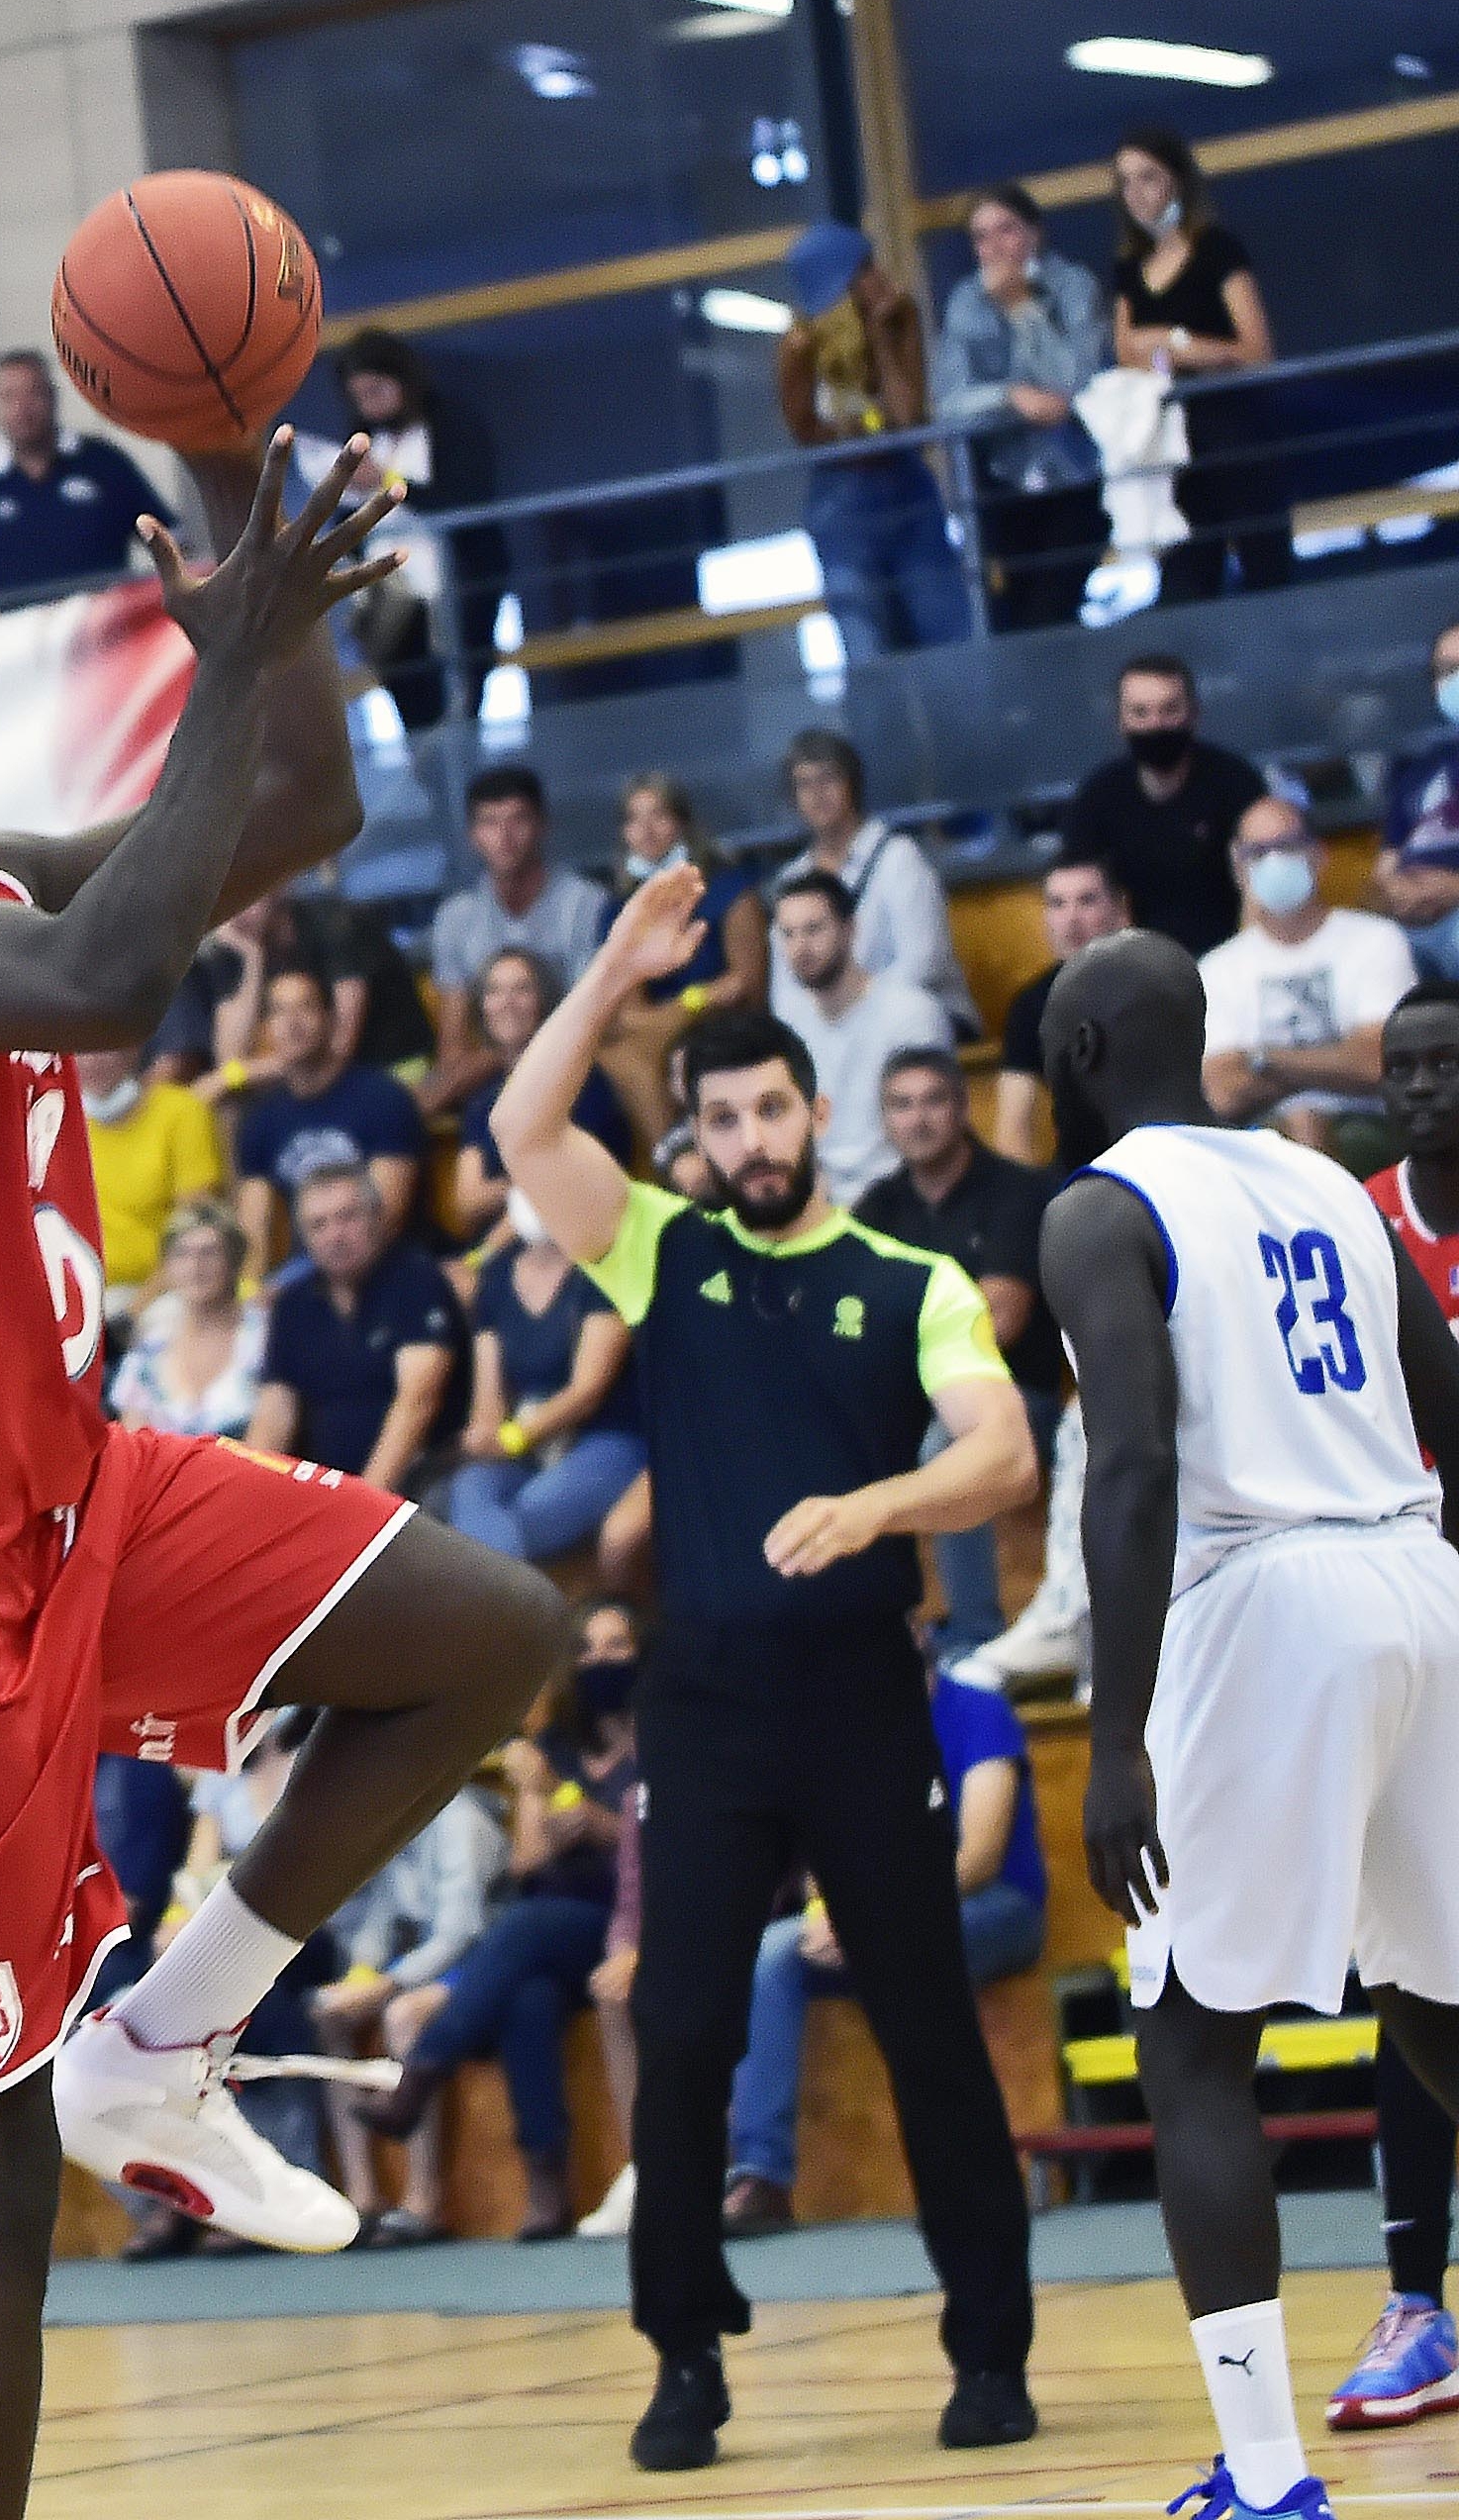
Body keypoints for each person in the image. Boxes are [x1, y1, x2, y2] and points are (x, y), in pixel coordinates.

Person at [0, 430, 575, 2520]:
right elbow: (105, 982)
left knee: (485, 1634)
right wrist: (225, 657)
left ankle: (162, 2040)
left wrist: (280, 591)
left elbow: (302, 809)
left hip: (66, 1493)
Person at [493, 866, 1042, 2470]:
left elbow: (1002, 1454)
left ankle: (988, 2345)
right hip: (710, 1706)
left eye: (766, 1114)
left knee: (928, 2025)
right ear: (698, 1142)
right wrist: (605, 977)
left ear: (814, 1115)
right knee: (680, 2036)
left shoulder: (911, 1283)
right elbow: (525, 1135)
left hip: (865, 1700)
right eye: (717, 1121)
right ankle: (684, 2354)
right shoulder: (658, 1251)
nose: (744, 1142)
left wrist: (876, 1503)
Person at [1035, 928, 1459, 2520]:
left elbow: (1134, 1468)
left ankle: (1267, 2477)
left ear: (1078, 1060)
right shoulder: (1331, 1180)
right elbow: (1452, 1407)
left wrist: (1119, 1734)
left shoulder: (1100, 1207)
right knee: (1438, 2003)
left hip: (1264, 1598)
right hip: (1418, 1575)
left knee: (1196, 2044)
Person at [722, 1641, 1046, 2234]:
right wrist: (829, 1909)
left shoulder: (977, 1711)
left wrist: (874, 1914)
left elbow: (978, 1858)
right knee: (771, 1953)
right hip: (879, 1918)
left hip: (992, 1908)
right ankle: (761, 2176)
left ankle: (963, 2173)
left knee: (902, 1951)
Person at [349, 1615, 638, 2242]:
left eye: (618, 1646)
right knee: (526, 1999)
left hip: (633, 1917)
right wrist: (542, 1795)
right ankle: (548, 2183)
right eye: (588, 1649)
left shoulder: (661, 1743)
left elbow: (663, 1846)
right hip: (556, 1931)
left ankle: (420, 2074)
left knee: (528, 1928)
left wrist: (592, 1822)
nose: (603, 1661)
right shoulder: (557, 1749)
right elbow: (528, 1860)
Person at [1348, 980, 1459, 2432]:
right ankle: (1417, 2301)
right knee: (1415, 1961)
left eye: (1446, 1062)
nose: (1424, 1084)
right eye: (1405, 1067)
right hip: (1400, 1627)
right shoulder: (1347, 1222)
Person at [861, 1051, 1065, 1655]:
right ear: (885, 1120)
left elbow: (1001, 1321)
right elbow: (857, 1328)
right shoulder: (878, 1210)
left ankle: (974, 1636)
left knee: (946, 1446)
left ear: (960, 1108)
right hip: (916, 1398)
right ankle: (879, 1638)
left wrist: (901, 1329)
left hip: (1020, 1398)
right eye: (901, 1104)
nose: (918, 1119)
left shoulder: (1016, 1191)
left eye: (932, 1101)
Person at [312, 1778, 507, 2244]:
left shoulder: (462, 1820)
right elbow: (384, 1917)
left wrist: (386, 1985)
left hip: (483, 1963)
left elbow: (460, 1932)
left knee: (404, 2015)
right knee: (328, 2013)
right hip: (422, 1963)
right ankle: (362, 2199)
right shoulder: (397, 1826)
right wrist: (357, 1977)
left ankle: (426, 2199)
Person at [777, 223, 972, 660]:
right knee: (867, 649)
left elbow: (907, 418)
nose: (877, 276)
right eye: (863, 268)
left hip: (909, 491)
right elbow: (805, 430)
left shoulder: (901, 314)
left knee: (948, 636)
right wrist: (860, 433)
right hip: (843, 505)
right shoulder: (799, 345)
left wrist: (884, 337)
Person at [1109, 124, 1287, 603]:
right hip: (1169, 447)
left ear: (1177, 181)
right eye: (1125, 181)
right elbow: (1127, 352)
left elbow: (1253, 350)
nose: (1136, 193)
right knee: (1186, 580)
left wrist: (1173, 342)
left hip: (1234, 431)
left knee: (1265, 567)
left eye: (1147, 177)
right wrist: (1193, 352)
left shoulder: (1216, 249)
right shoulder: (1129, 269)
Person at [936, 183, 1113, 633]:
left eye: (1006, 230)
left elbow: (1071, 380)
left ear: (1034, 233)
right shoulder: (965, 301)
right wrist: (1011, 397)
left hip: (1076, 475)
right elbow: (949, 403)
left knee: (1052, 608)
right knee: (1017, 614)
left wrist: (1021, 307)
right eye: (981, 237)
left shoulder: (1073, 285)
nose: (994, 248)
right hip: (1002, 482)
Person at [1205, 796, 1415, 1152]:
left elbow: (1379, 1063)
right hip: (1265, 1140)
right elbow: (1224, 1092)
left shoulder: (1377, 939)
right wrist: (1331, 1064)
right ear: (1238, 868)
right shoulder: (1217, 969)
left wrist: (1263, 1060)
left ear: (1319, 854)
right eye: (1257, 852)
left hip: (1370, 1128)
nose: (1273, 860)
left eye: (1285, 845)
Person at [249, 1161, 465, 1496]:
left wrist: (362, 1505)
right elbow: (274, 1414)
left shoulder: (415, 1278)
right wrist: (248, 1495)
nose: (334, 1235)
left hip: (426, 1473)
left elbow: (417, 1404)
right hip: (329, 1484)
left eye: (347, 1217)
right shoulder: (293, 1304)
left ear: (377, 1217)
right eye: (318, 1225)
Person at [326, 329, 504, 731]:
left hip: (455, 580)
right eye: (359, 396)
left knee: (462, 693)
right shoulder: (364, 438)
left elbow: (461, 497)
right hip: (390, 591)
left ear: (401, 380)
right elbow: (350, 515)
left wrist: (386, 481)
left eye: (376, 390)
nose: (368, 404)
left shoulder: (452, 425)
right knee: (411, 699)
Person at [447, 1205, 642, 1566]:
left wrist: (512, 1438)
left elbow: (587, 1392)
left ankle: (485, 1614)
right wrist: (484, 1434)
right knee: (468, 1489)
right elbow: (488, 1388)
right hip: (527, 1448)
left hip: (606, 1438)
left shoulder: (603, 1268)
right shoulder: (496, 1275)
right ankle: (501, 1613)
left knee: (526, 1514)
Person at [1061, 655, 1277, 960]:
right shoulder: (1096, 799)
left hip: (1232, 960)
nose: (1155, 725)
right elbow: (1080, 893)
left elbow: (1264, 883)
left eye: (1169, 710)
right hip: (1132, 968)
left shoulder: (1235, 783)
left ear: (1194, 714)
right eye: (1141, 713)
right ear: (1121, 722)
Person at [424, 766, 610, 1114]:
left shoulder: (586, 902)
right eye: (490, 823)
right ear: (472, 835)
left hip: (575, 1059)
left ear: (542, 826)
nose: (504, 836)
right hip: (491, 1067)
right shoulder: (455, 916)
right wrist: (495, 1058)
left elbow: (592, 1015)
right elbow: (453, 1042)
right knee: (416, 1101)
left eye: (517, 821)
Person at [0, 347, 169, 601]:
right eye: (9, 397)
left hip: (107, 626)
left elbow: (170, 540)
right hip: (17, 635)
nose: (22, 409)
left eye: (33, 393)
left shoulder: (103, 462)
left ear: (53, 396)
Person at [769, 869, 955, 1208]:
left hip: (902, 1198)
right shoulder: (787, 1027)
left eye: (813, 929)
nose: (801, 947)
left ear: (850, 929)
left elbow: (934, 1130)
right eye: (788, 934)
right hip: (818, 1199)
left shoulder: (911, 1012)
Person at [227, 966, 428, 1271]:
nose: (292, 1023)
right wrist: (251, 1292)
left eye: (305, 1007)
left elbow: (384, 1220)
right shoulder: (260, 1120)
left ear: (330, 1019)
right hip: (307, 1271)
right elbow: (253, 1230)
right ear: (265, 1029)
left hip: (392, 1266)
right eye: (279, 1012)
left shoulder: (383, 1099)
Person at [783, 727, 974, 1031]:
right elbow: (785, 989)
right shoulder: (793, 878)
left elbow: (924, 963)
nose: (817, 793)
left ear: (853, 785)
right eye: (805, 784)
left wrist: (854, 1006)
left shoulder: (899, 858)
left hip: (921, 1017)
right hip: (834, 1026)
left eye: (828, 778)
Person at [450, 947, 634, 1244]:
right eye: (494, 991)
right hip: (502, 1252)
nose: (506, 1002)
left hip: (575, 1242)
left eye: (521, 989)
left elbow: (572, 1185)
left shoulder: (582, 1082)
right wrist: (527, 1183)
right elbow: (468, 1201)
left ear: (545, 1001)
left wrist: (482, 1259)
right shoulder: (482, 1102)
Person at [997, 855, 1135, 1166]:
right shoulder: (1031, 1006)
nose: (1071, 918)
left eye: (1087, 901)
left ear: (1121, 909)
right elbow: (1013, 1129)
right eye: (1057, 904)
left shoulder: (1159, 985)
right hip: (1082, 1177)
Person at [77, 1046, 223, 1312]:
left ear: (131, 1048)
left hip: (168, 1290)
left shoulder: (182, 1111)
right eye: (80, 1050)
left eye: (104, 1047)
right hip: (84, 1297)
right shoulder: (55, 1120)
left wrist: (133, 1312)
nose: (92, 1059)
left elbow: (193, 1227)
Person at [111, 1205, 267, 1439]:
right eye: (181, 1254)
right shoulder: (150, 1345)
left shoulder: (265, 1337)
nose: (195, 1266)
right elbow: (135, 1445)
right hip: (166, 1474)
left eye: (210, 1252)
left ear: (235, 1261)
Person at [1374, 623, 1459, 984]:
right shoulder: (1420, 770)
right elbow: (1382, 874)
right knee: (1372, 950)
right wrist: (1395, 895)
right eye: (1446, 671)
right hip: (1410, 924)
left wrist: (1453, 889)